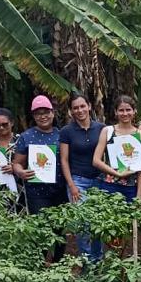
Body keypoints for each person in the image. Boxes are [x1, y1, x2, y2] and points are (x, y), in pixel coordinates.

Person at [59, 94, 105, 262]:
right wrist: (71, 185)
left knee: (98, 223)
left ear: (89, 106)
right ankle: (87, 261)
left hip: (99, 180)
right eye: (75, 108)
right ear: (71, 111)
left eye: (82, 106)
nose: (79, 110)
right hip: (78, 181)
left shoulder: (101, 128)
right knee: (82, 224)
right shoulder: (66, 131)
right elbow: (64, 160)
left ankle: (98, 259)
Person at [12, 95, 66, 214]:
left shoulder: (62, 134)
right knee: (41, 228)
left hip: (60, 190)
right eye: (38, 113)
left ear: (52, 113)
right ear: (34, 116)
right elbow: (16, 163)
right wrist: (21, 172)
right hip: (36, 193)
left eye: (46, 112)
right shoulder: (26, 137)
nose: (43, 116)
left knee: (61, 228)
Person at [92, 95, 141, 200]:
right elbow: (96, 160)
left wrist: (139, 195)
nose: (125, 113)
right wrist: (117, 173)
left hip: (131, 187)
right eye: (121, 110)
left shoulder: (140, 134)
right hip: (109, 185)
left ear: (134, 111)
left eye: (128, 110)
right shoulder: (107, 131)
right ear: (116, 112)